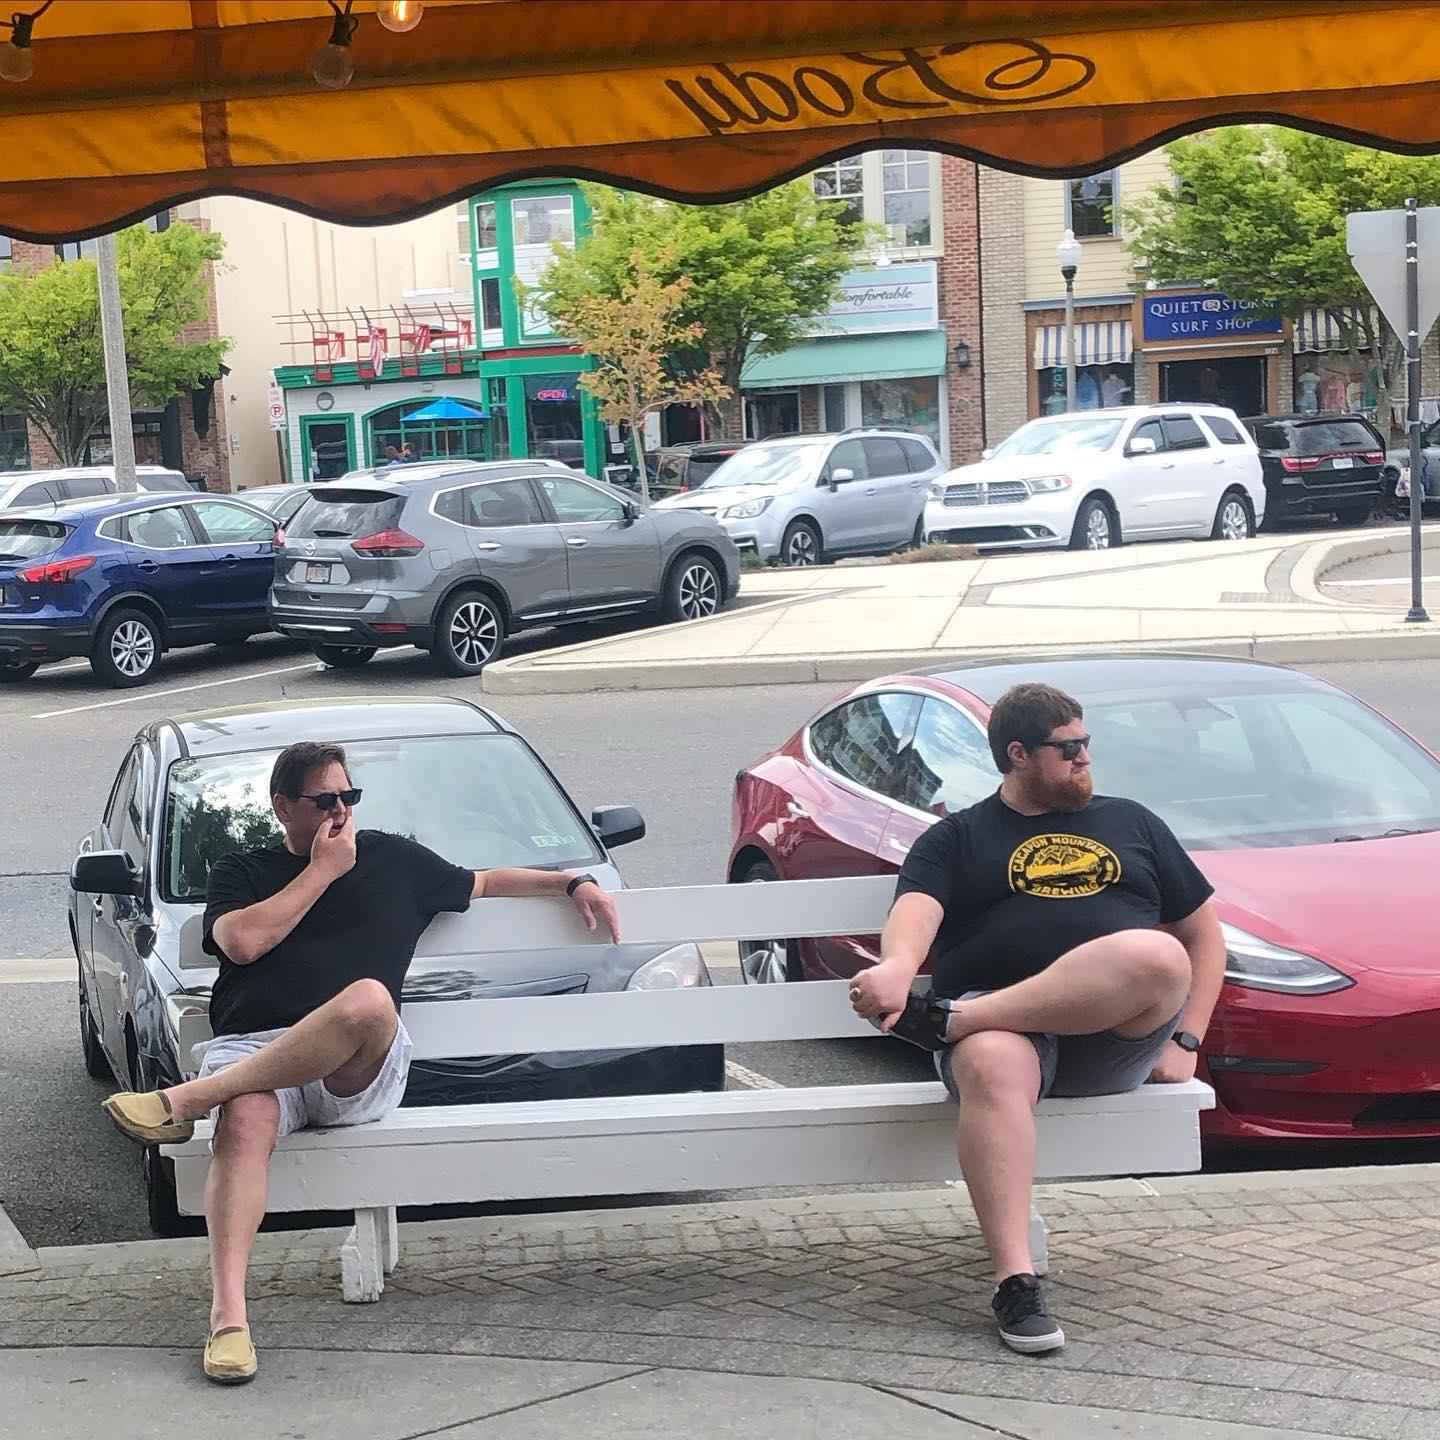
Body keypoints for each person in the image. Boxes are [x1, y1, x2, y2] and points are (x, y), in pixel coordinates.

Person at [101, 740, 620, 1385]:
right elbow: (242, 942)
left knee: (370, 1000)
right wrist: (322, 872)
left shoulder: (394, 859)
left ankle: (190, 1099)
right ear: (283, 807)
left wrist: (572, 881)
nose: (341, 811)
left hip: (354, 1069)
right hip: (257, 1051)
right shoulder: (242, 869)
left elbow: (484, 882)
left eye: (350, 796)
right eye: (324, 801)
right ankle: (229, 1320)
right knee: (246, 1115)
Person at [849, 683, 1223, 1357]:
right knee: (991, 1060)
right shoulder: (956, 838)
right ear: (1019, 754)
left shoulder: (1132, 822)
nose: (1085, 757)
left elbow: (1203, 938)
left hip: (1110, 1038)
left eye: (1086, 743)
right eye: (1068, 747)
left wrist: (1188, 1037)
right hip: (1007, 1041)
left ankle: (953, 1020)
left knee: (1156, 955)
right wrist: (897, 968)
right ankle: (1015, 1283)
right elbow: (916, 913)